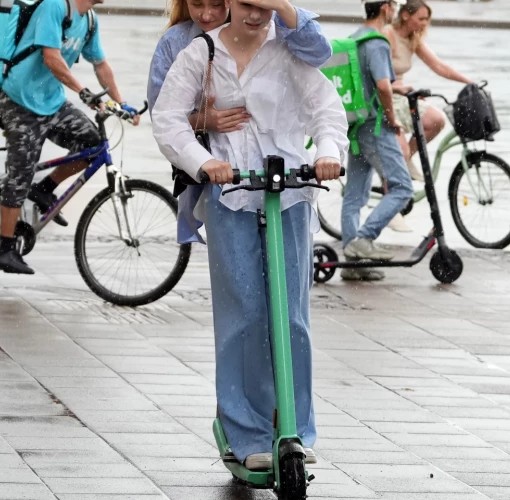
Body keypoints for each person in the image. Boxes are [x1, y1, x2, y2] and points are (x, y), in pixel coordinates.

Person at [151, 0, 347, 471]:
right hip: (230, 193)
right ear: (230, 5)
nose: (256, 16)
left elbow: (327, 111)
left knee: (292, 316)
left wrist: (326, 151)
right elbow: (167, 118)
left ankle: (294, 427)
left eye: (265, 7)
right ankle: (247, 431)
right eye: (246, 6)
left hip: (291, 194)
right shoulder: (201, 54)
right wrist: (204, 162)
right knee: (243, 314)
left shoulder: (291, 53)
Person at [147, 0, 332, 246]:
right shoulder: (179, 43)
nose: (207, 14)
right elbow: (163, 112)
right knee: (233, 269)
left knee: (290, 274)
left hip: (284, 176)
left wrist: (282, 7)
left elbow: (318, 57)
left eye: (215, 5)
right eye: (197, 5)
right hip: (221, 173)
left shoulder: (268, 29)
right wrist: (203, 121)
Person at [0, 0, 140, 275]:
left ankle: (44, 188)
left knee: (93, 146)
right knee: (20, 174)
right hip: (19, 101)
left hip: (52, 103)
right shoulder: (55, 6)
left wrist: (121, 104)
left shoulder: (90, 20)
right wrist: (83, 92)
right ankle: (4, 249)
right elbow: (51, 57)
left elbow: (101, 64)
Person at [339, 0, 413, 281]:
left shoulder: (353, 40)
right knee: (402, 187)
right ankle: (365, 238)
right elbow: (383, 85)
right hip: (376, 125)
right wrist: (393, 117)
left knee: (355, 195)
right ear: (385, 8)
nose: (394, 9)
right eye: (394, 4)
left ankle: (352, 263)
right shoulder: (378, 42)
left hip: (355, 124)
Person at [383, 0, 472, 180]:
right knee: (398, 153)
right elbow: (378, 74)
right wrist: (397, 88)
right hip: (386, 94)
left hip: (402, 94)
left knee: (437, 120)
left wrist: (469, 82)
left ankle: (407, 158)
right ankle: (395, 179)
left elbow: (439, 66)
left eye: (427, 19)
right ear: (406, 15)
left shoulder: (412, 38)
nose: (424, 23)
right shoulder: (388, 35)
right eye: (421, 18)